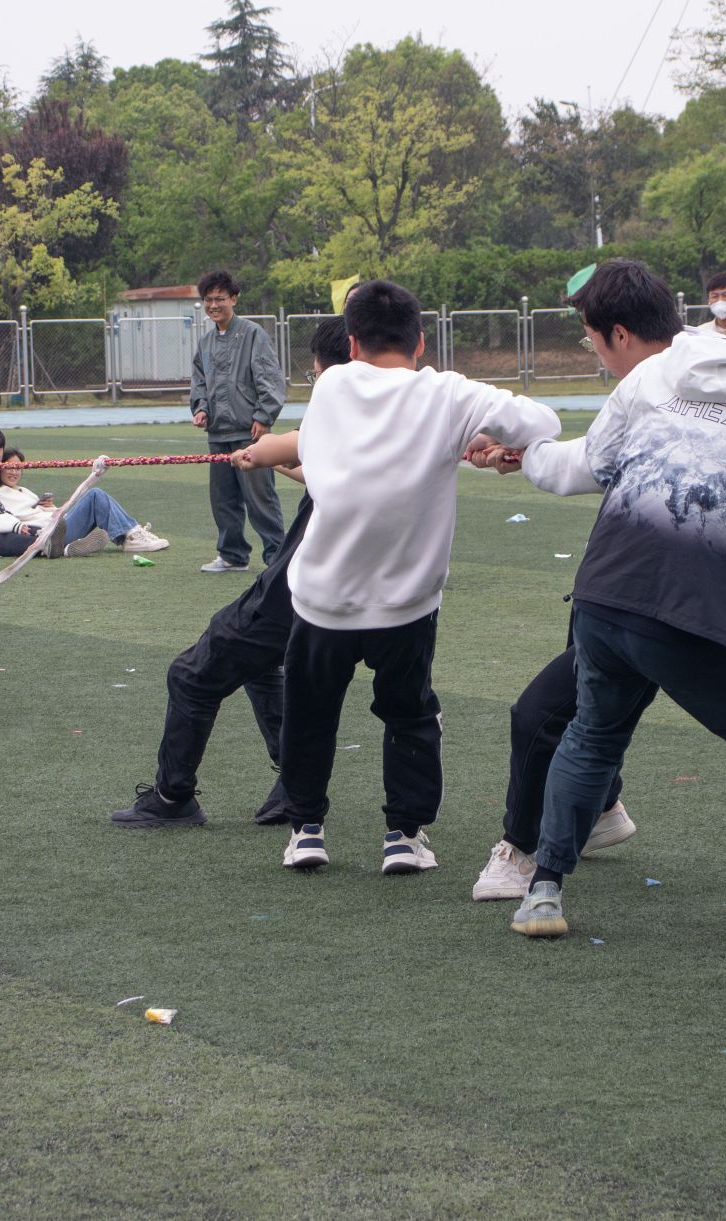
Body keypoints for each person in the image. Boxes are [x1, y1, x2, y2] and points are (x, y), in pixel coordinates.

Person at [481, 287, 726, 940]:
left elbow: (586, 464)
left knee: (592, 733)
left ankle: (544, 892)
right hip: (699, 608)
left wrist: (522, 455)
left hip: (606, 590)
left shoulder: (664, 372)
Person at [234, 279, 561, 875]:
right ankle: (404, 837)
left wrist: (467, 441)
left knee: (310, 714)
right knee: (409, 713)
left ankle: (306, 830)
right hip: (406, 603)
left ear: (351, 343)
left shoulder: (332, 386)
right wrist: (486, 441)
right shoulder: (448, 393)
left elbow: (325, 451)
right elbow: (543, 420)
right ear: (421, 342)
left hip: (323, 598)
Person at [464, 272, 682, 902]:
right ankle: (605, 808)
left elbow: (579, 466)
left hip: (660, 600)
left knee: (539, 715)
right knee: (594, 701)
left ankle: (523, 851)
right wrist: (524, 453)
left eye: (591, 340)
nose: (594, 353)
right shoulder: (695, 366)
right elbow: (598, 458)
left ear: (620, 333)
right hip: (641, 584)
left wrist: (526, 451)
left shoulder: (654, 382)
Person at [110, 318, 354, 829]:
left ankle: (173, 797)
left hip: (297, 590)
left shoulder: (341, 405)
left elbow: (302, 445)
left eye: (315, 372)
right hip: (341, 592)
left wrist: (259, 451)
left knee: (190, 674)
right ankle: (296, 782)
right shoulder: (390, 422)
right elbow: (320, 469)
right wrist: (263, 459)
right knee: (259, 666)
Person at [190, 270, 286, 572]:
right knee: (223, 499)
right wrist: (201, 408)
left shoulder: (253, 334)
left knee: (260, 497)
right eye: (208, 300)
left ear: (234, 299)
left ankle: (277, 557)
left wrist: (264, 415)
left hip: (250, 431)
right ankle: (232, 555)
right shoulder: (205, 342)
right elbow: (199, 381)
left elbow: (269, 376)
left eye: (220, 299)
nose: (213, 305)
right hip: (217, 433)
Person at [0, 448, 169, 557]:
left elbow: (34, 510)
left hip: (58, 524)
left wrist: (46, 507)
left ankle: (131, 532)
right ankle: (130, 538)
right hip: (50, 533)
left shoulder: (23, 490)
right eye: (9, 467)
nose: (14, 472)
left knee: (94, 497)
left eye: (18, 468)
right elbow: (14, 517)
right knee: (95, 495)